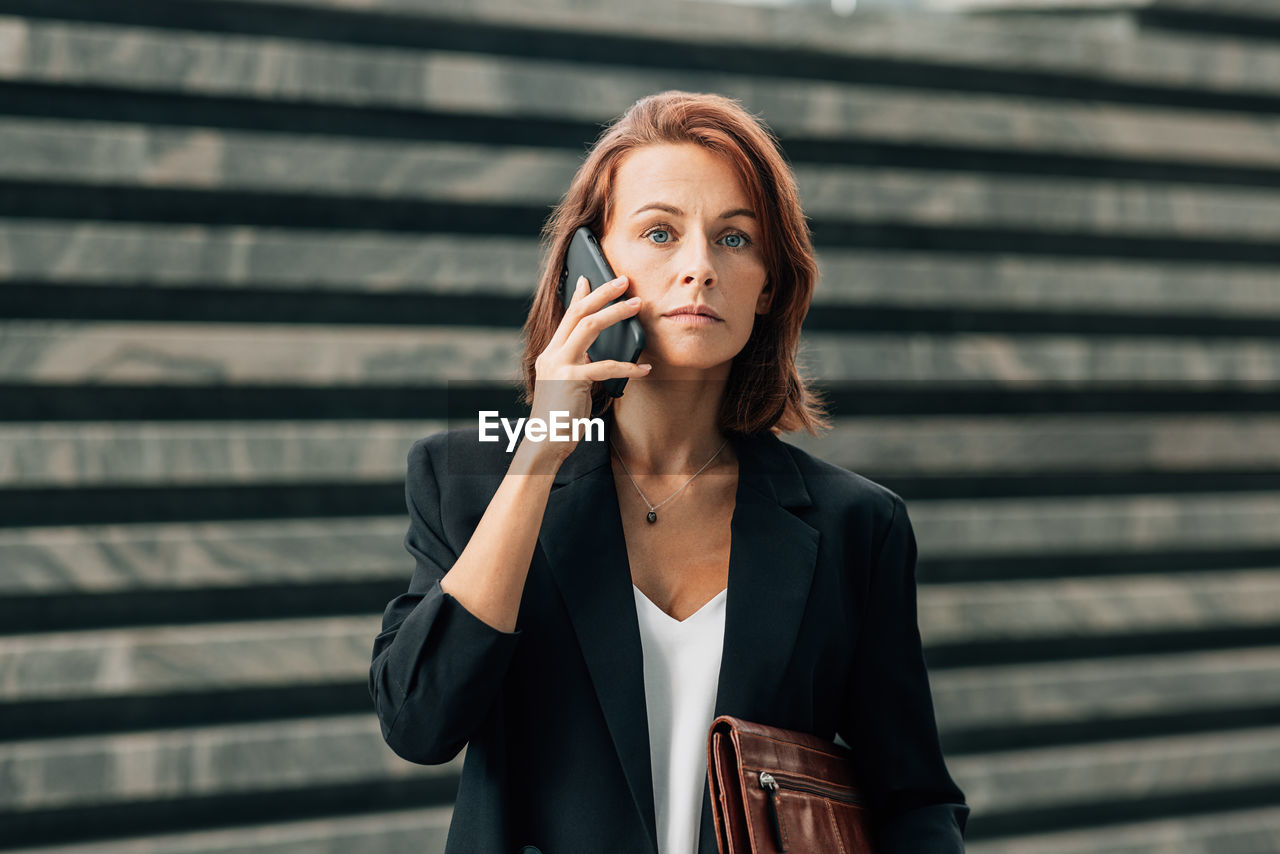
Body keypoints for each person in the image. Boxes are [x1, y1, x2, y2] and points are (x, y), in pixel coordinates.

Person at [369, 90, 969, 854]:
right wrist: (542, 454)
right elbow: (419, 724)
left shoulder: (856, 525)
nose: (698, 269)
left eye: (735, 240)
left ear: (770, 283)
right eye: (659, 232)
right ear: (590, 266)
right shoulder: (470, 479)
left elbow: (915, 800)